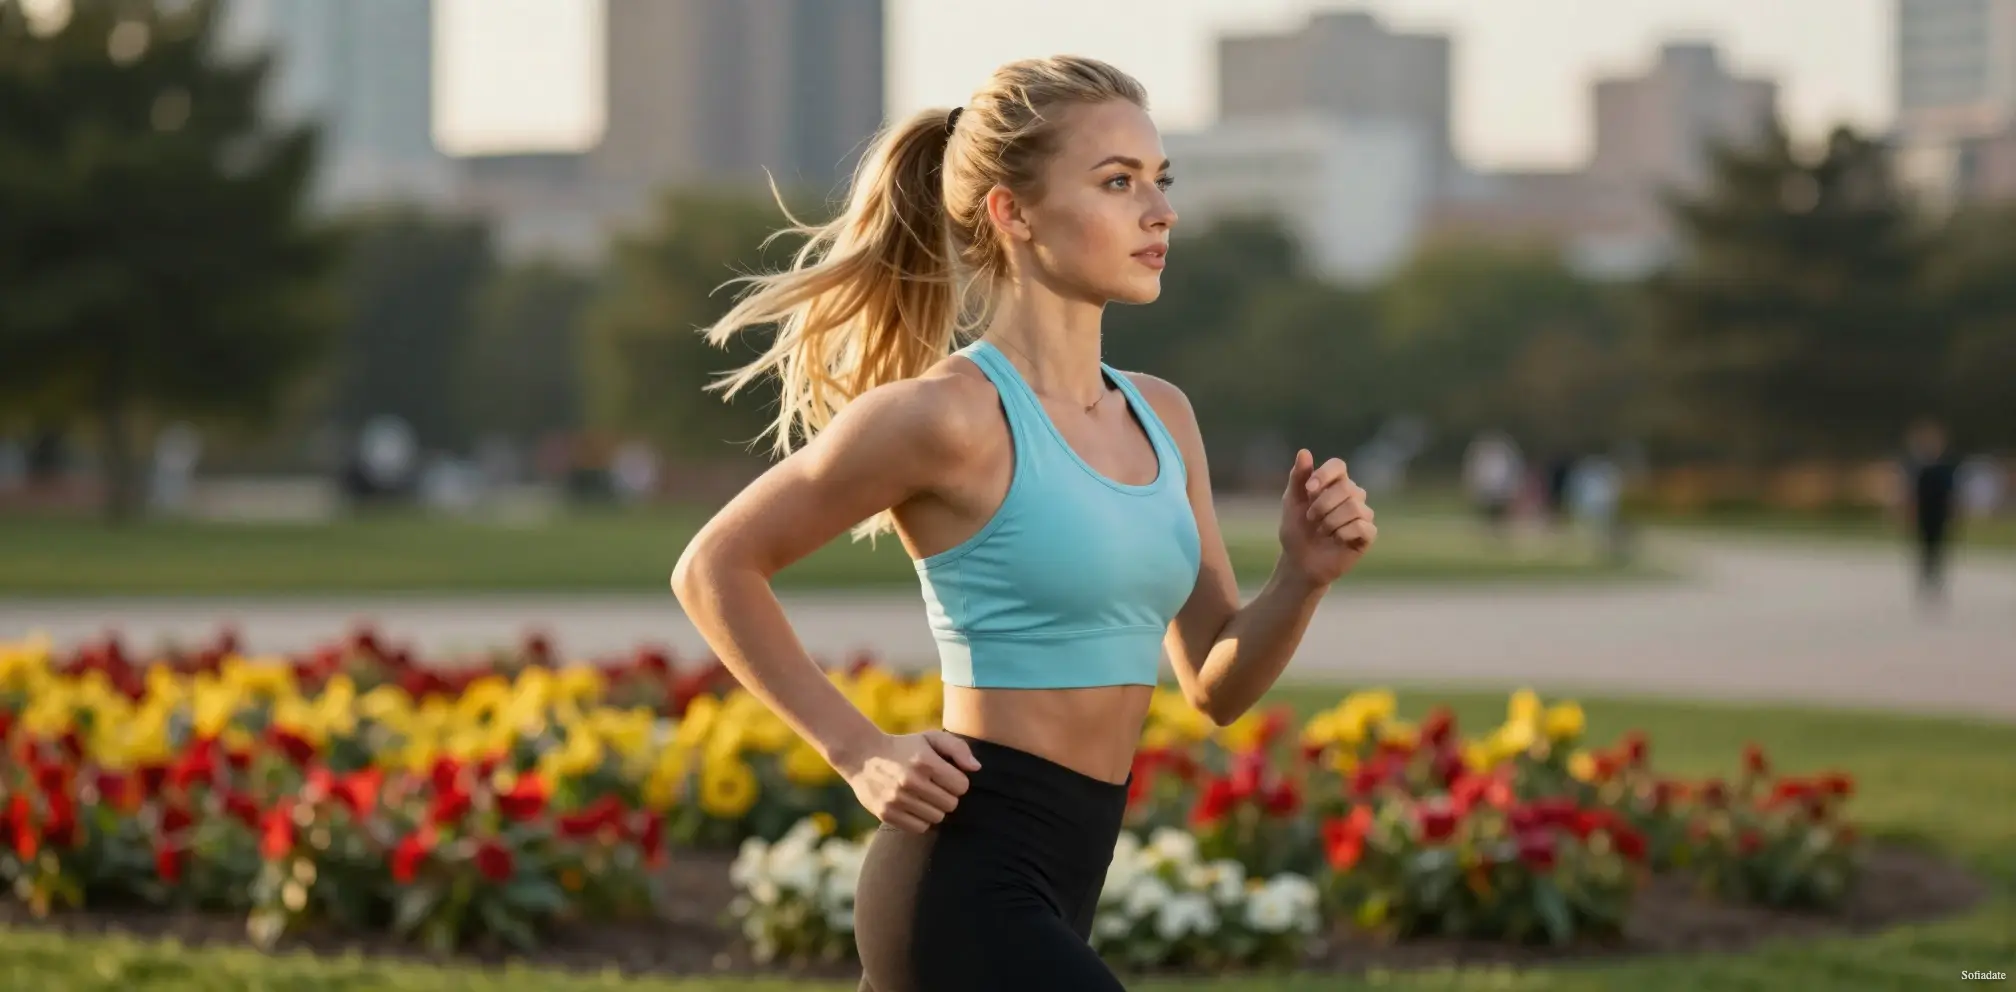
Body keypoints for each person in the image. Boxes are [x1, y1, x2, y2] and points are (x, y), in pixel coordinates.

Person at [669, 56, 1376, 992]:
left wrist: (1301, 577)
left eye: (1162, 182)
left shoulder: (1163, 416)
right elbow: (715, 565)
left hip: (1069, 876)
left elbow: (1213, 684)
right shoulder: (944, 417)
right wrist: (860, 751)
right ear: (1013, 214)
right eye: (1117, 182)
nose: (1159, 212)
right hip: (960, 879)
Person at [1899, 418, 1960, 609]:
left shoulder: (1945, 467)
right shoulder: (1918, 466)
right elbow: (1911, 493)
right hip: (1924, 513)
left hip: (1939, 513)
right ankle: (1925, 580)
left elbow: (1951, 493)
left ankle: (1936, 581)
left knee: (1938, 547)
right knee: (1925, 548)